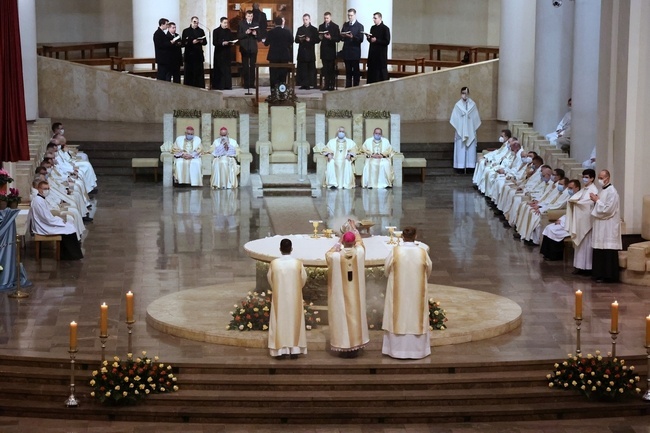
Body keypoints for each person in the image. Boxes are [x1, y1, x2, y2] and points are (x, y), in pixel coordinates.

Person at [382, 226, 432, 359]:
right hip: (417, 291)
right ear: (415, 236)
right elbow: (428, 270)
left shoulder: (395, 251)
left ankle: (395, 350)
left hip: (399, 292)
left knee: (398, 316)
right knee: (416, 317)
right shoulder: (422, 252)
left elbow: (386, 269)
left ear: (402, 237)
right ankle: (418, 351)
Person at [325, 224, 369, 356]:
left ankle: (343, 345)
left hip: (340, 296)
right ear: (354, 242)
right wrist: (354, 229)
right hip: (356, 296)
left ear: (343, 242)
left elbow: (328, 254)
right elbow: (360, 243)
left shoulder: (336, 257)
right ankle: (355, 345)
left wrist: (338, 243)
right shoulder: (359, 253)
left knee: (342, 317)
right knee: (356, 316)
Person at [267, 238, 308, 359]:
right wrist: (295, 288)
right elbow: (303, 279)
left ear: (280, 249)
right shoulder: (297, 263)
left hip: (279, 298)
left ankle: (280, 352)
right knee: (294, 321)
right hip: (294, 297)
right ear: (291, 249)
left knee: (280, 322)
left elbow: (270, 279)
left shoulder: (274, 263)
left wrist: (278, 288)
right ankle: (294, 350)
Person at [28, 181, 83, 260]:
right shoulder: (38, 201)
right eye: (45, 189)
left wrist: (58, 220)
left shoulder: (40, 199)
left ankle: (67, 253)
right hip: (43, 227)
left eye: (48, 189)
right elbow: (47, 218)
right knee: (69, 227)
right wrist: (60, 221)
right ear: (39, 189)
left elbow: (47, 216)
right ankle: (70, 255)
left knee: (69, 226)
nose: (47, 191)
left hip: (45, 223)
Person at [590, 169, 621, 283]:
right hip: (600, 225)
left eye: (602, 178)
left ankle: (608, 276)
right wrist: (595, 200)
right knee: (599, 249)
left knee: (607, 250)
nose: (600, 180)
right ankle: (599, 274)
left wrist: (597, 200)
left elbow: (608, 209)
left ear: (608, 178)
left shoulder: (612, 191)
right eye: (599, 177)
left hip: (608, 225)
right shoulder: (602, 190)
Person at [565, 169, 598, 275]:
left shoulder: (593, 189)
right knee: (580, 245)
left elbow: (589, 203)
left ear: (592, 178)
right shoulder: (584, 189)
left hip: (587, 221)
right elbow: (577, 197)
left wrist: (578, 203)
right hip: (581, 220)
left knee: (586, 245)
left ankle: (587, 268)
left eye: (587, 177)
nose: (584, 179)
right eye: (583, 176)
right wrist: (573, 201)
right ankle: (579, 266)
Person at [539, 180, 581, 261]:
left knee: (553, 229)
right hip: (567, 221)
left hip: (573, 224)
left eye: (571, 188)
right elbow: (568, 213)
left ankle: (555, 255)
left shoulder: (579, 199)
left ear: (577, 188)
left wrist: (562, 222)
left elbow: (576, 215)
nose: (569, 190)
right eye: (568, 187)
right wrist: (561, 219)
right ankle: (547, 253)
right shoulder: (571, 198)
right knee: (549, 227)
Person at [450, 86, 481, 173]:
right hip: (461, 131)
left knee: (470, 148)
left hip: (470, 130)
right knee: (461, 148)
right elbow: (454, 118)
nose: (465, 95)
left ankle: (470, 166)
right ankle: (459, 166)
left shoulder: (473, 105)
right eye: (463, 93)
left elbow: (476, 118)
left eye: (466, 93)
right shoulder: (458, 105)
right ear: (461, 94)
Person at [264, 17, 293, 88]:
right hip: (284, 56)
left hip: (273, 56)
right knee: (283, 76)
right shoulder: (287, 32)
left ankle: (273, 93)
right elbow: (291, 42)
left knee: (273, 76)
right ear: (281, 23)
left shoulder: (271, 32)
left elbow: (266, 43)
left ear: (274, 23)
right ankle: (282, 93)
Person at [295, 14, 320, 90]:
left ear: (309, 20)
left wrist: (310, 40)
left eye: (306, 19)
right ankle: (303, 84)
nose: (305, 21)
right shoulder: (300, 29)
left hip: (310, 52)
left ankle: (310, 84)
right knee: (303, 70)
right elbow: (296, 40)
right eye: (304, 20)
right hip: (302, 52)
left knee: (310, 69)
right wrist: (300, 39)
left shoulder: (314, 29)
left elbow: (317, 40)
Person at [340, 8, 364, 88]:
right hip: (347, 51)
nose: (349, 17)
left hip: (355, 52)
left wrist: (352, 37)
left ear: (355, 15)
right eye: (348, 15)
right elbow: (342, 36)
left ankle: (356, 87)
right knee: (348, 71)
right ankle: (348, 87)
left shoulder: (359, 26)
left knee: (356, 71)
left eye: (351, 15)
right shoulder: (345, 25)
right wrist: (343, 36)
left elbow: (361, 39)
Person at [181, 16, 207, 88]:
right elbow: (183, 42)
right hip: (189, 55)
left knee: (199, 73)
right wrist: (191, 42)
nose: (196, 24)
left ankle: (200, 86)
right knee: (189, 73)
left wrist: (201, 41)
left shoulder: (201, 31)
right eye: (194, 22)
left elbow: (205, 42)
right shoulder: (186, 31)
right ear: (191, 22)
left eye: (197, 22)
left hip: (198, 55)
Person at [366, 12, 390, 84]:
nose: (374, 20)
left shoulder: (385, 29)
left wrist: (377, 40)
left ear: (380, 18)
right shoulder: (372, 28)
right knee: (372, 74)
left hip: (380, 56)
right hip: (373, 54)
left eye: (375, 18)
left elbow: (387, 41)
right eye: (373, 18)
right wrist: (368, 38)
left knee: (379, 75)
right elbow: (371, 40)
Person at [318, 12, 340, 91]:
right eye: (325, 18)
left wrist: (330, 38)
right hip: (324, 50)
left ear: (330, 18)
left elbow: (338, 39)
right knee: (325, 69)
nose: (326, 20)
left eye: (327, 18)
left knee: (331, 69)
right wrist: (320, 37)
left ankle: (332, 85)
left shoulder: (335, 26)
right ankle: (326, 85)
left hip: (331, 51)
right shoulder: (321, 26)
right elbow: (318, 38)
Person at [238, 10, 260, 89]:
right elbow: (239, 36)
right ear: (246, 16)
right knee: (245, 66)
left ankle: (251, 83)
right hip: (245, 48)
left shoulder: (256, 24)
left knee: (253, 66)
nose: (250, 18)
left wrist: (256, 34)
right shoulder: (241, 24)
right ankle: (246, 83)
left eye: (251, 16)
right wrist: (245, 33)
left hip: (253, 48)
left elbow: (259, 37)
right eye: (249, 16)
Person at [212, 18, 234, 90]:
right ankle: (219, 85)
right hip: (219, 53)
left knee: (227, 69)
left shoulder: (229, 31)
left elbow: (231, 39)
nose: (226, 24)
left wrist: (231, 42)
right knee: (219, 69)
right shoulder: (216, 31)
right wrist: (222, 43)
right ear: (221, 23)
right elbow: (214, 42)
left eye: (226, 23)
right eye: (224, 23)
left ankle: (227, 85)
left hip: (227, 52)